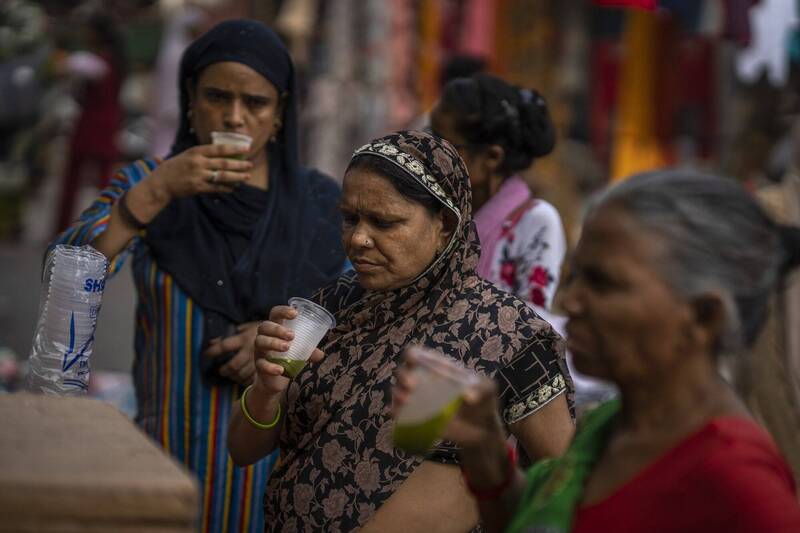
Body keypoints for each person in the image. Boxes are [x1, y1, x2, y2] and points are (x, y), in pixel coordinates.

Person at [51, 20, 345, 533]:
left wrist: (283, 341)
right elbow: (64, 280)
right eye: (216, 96)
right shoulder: (147, 184)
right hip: (163, 461)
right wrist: (155, 194)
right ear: (190, 98)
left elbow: (361, 319)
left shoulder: (321, 207)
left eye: (254, 103)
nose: (233, 117)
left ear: (279, 115)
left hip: (272, 484)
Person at [394, 169, 800, 533]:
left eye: (603, 284)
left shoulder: (738, 479)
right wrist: (484, 448)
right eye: (575, 277)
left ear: (703, 318)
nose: (570, 302)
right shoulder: (611, 422)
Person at [227, 130, 575, 532]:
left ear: (444, 224)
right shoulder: (334, 307)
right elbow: (242, 451)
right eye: (349, 218)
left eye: (384, 222)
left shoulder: (509, 335)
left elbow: (562, 489)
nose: (358, 238)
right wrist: (267, 389)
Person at [429, 74, 566, 322]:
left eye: (442, 143)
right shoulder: (438, 210)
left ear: (492, 157)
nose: (428, 152)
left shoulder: (536, 221)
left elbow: (529, 328)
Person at [53, 11, 126, 235]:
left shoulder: (96, 61)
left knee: (75, 180)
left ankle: (65, 228)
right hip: (108, 124)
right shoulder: (116, 60)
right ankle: (104, 228)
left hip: (91, 125)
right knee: (104, 182)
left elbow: (66, 65)